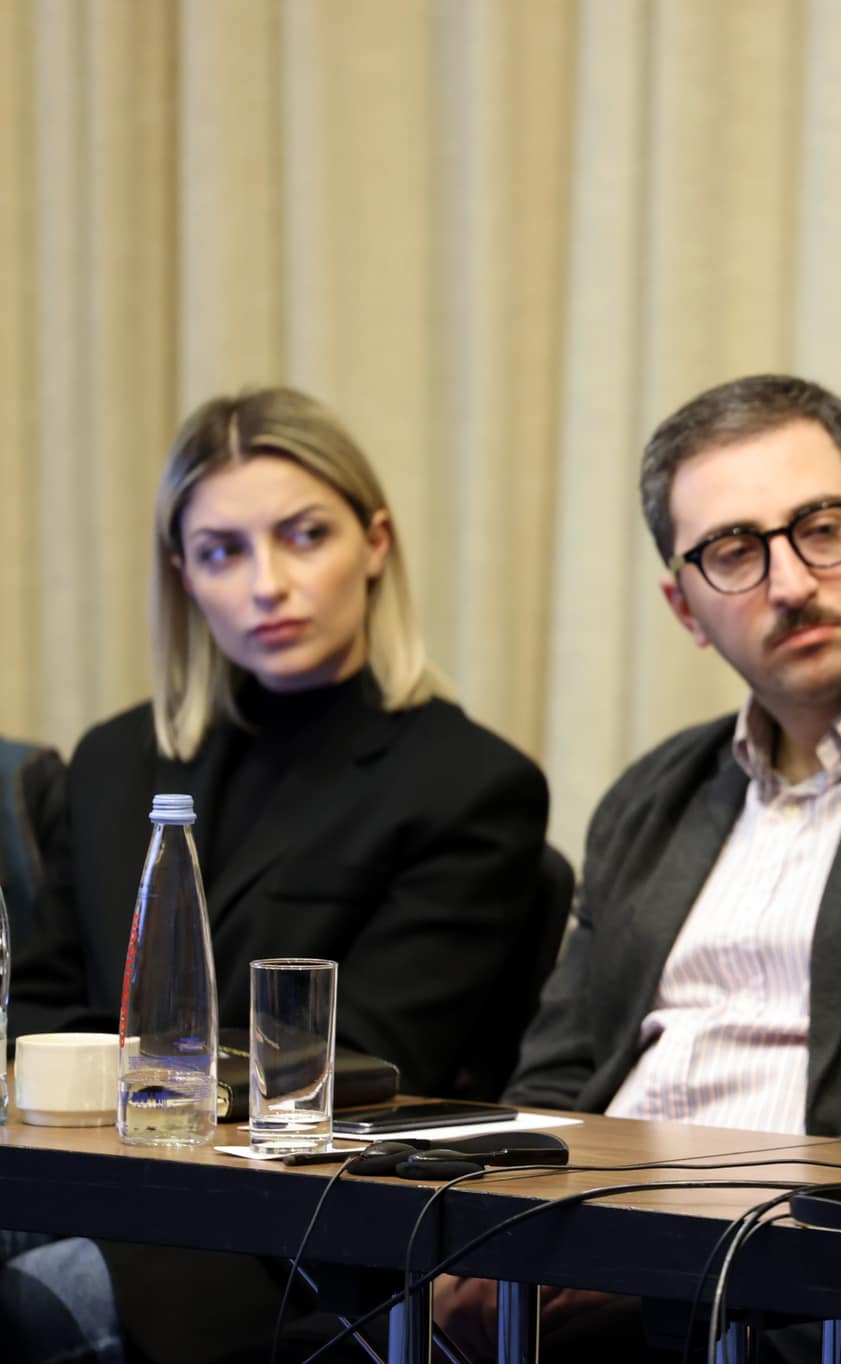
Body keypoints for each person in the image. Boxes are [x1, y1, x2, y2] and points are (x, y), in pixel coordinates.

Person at [437, 374, 841, 1359]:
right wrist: (503, 1230)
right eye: (733, 552)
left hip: (814, 1293)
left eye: (821, 528)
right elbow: (559, 1074)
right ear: (683, 606)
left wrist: (653, 1256)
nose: (791, 582)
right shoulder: (652, 797)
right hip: (579, 1262)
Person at [2, 386, 550, 1364]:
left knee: (33, 1305)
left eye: (304, 536)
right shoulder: (114, 762)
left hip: (284, 1235)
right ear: (183, 574)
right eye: (223, 551)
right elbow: (37, 1012)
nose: (268, 584)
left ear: (374, 543)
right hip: (74, 1179)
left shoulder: (469, 783)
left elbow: (369, 1062)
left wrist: (125, 1079)